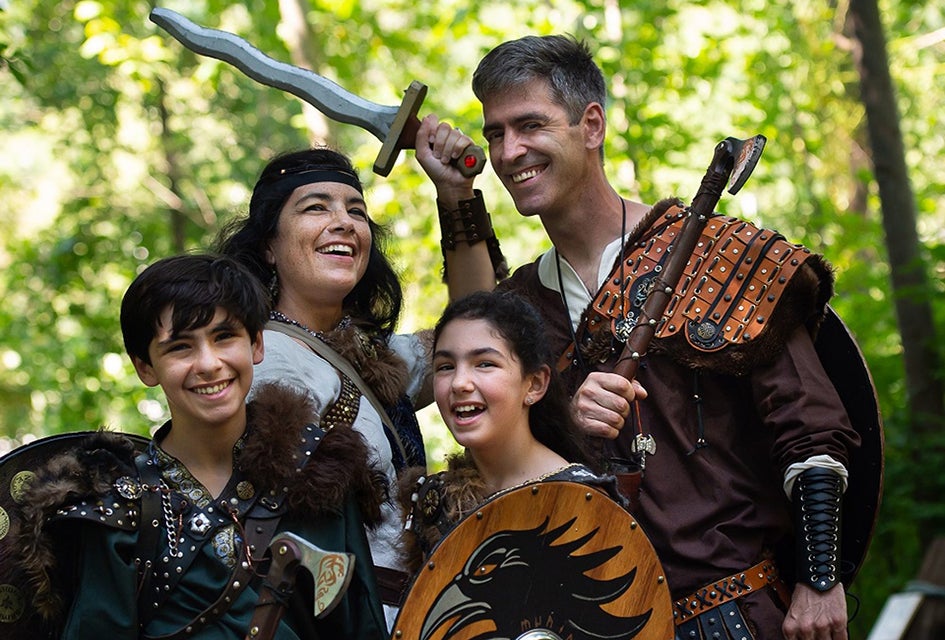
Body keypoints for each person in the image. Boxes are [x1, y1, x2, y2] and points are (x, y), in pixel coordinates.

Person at [421, 34, 864, 640]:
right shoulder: (526, 305)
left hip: (732, 615)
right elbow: (503, 440)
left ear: (592, 125)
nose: (509, 150)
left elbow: (810, 424)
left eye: (529, 125)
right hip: (600, 625)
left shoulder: (721, 258)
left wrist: (820, 580)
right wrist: (564, 422)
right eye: (495, 133)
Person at [1, 254, 388, 638]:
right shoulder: (118, 507)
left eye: (224, 337)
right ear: (145, 367)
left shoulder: (317, 470)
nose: (208, 363)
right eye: (180, 347)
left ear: (256, 343)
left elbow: (362, 625)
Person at [215, 142, 504, 626]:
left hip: (413, 614)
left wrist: (456, 194)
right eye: (315, 208)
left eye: (356, 210)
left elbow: (483, 332)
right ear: (268, 244)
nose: (345, 222)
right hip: (335, 623)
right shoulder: (259, 359)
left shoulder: (376, 356)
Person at [397, 290, 623, 572]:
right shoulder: (433, 498)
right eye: (446, 367)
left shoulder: (582, 499)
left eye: (485, 364)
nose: (459, 383)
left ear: (535, 384)